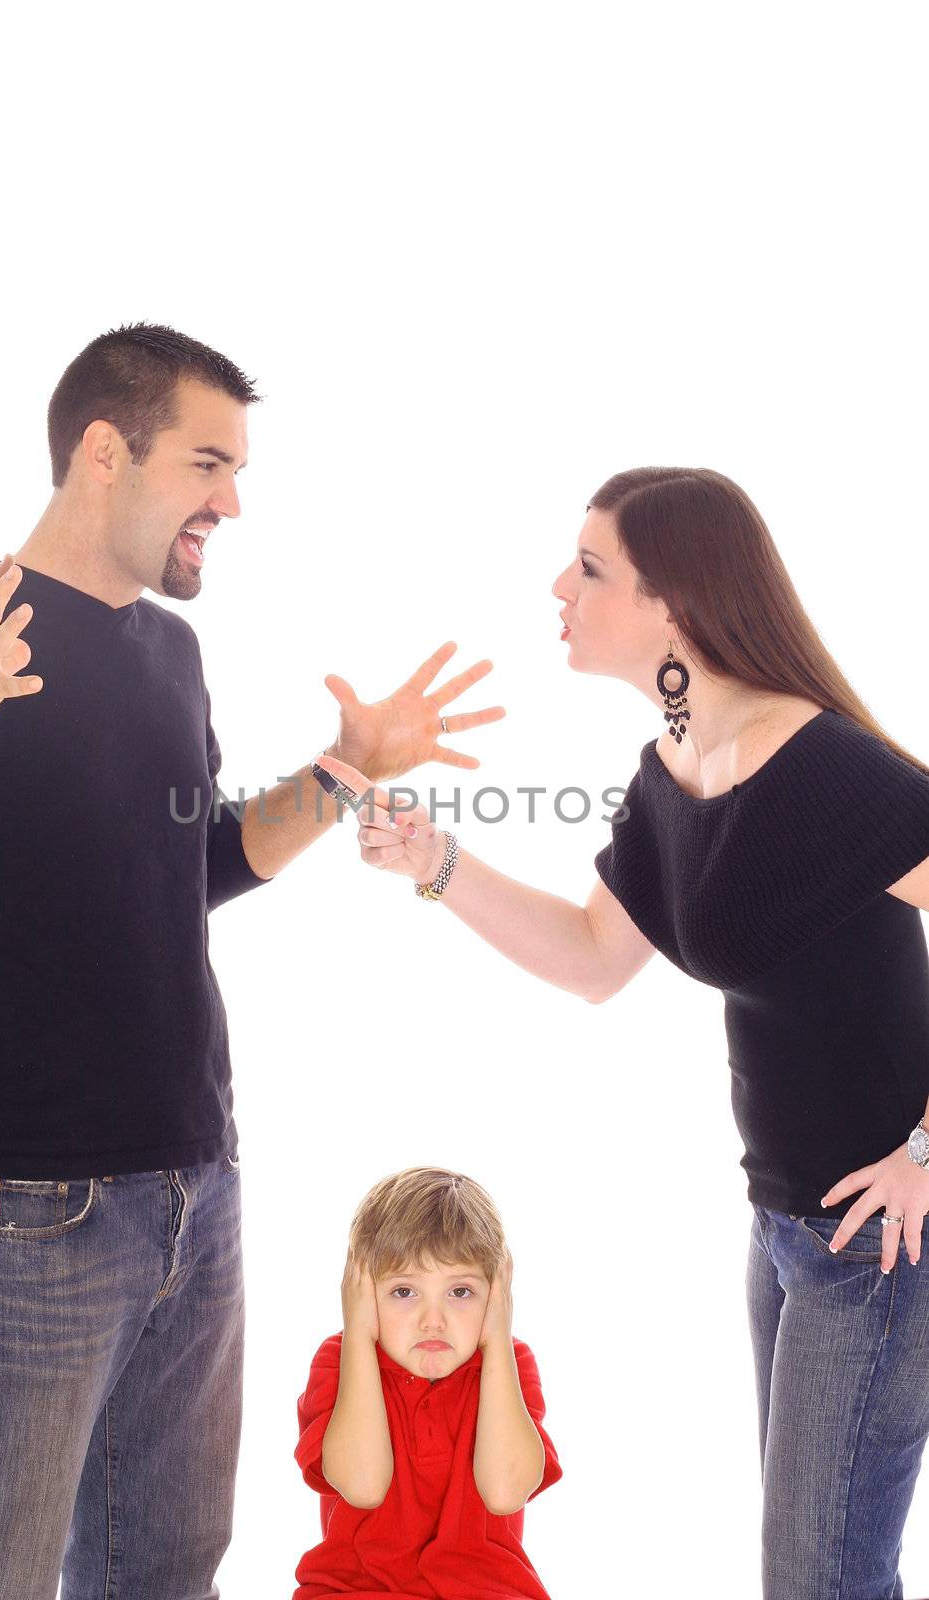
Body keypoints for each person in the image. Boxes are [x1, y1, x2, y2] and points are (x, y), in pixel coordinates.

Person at [0, 322, 505, 1600]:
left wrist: (348, 769)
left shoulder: (171, 653)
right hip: (31, 1216)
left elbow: (197, 865)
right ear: (106, 451)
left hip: (195, 1197)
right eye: (208, 463)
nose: (232, 501)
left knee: (163, 1571)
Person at [316, 465, 929, 1600]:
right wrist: (434, 863)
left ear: (674, 606)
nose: (558, 585)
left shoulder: (823, 766)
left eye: (590, 567)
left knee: (822, 1578)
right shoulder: (676, 767)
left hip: (880, 1245)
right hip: (790, 1228)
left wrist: (924, 1151)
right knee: (817, 1571)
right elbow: (597, 957)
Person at [293, 1167, 561, 1599]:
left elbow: (505, 1490)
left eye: (460, 1292)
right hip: (356, 1590)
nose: (433, 1320)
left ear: (494, 1296)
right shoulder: (341, 1362)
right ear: (362, 1294)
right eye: (404, 1291)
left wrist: (497, 1340)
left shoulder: (510, 1364)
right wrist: (358, 1333)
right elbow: (362, 1484)